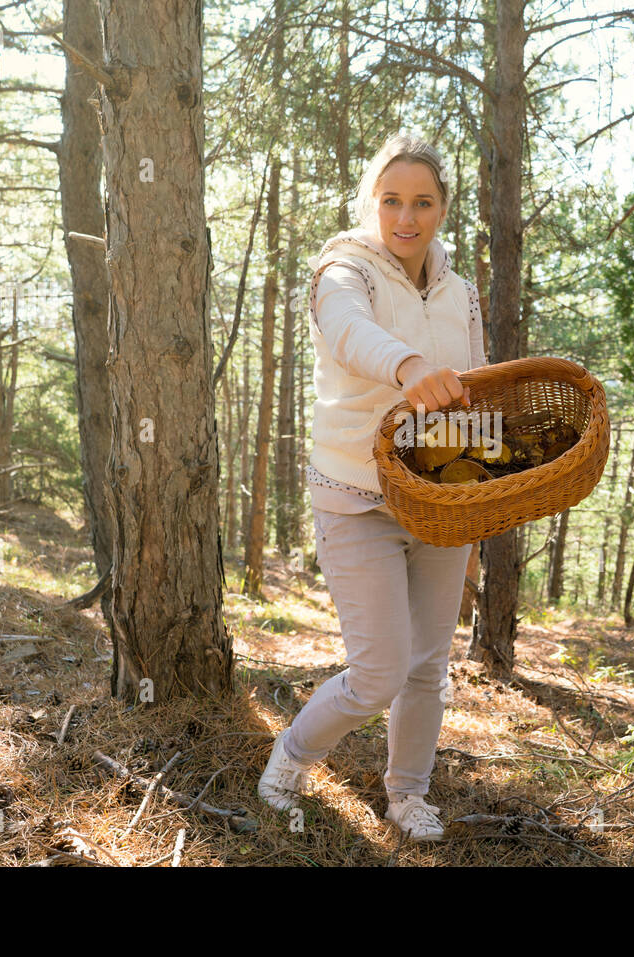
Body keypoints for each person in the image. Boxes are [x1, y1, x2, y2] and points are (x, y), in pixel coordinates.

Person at [256, 133, 488, 842]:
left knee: (427, 666)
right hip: (356, 498)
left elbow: (476, 398)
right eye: (391, 200)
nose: (405, 217)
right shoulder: (343, 269)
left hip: (441, 505)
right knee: (379, 670)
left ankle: (407, 793)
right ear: (371, 203)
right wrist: (410, 364)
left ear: (444, 209)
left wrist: (475, 520)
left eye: (422, 202)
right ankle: (290, 755)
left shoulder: (462, 295)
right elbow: (349, 333)